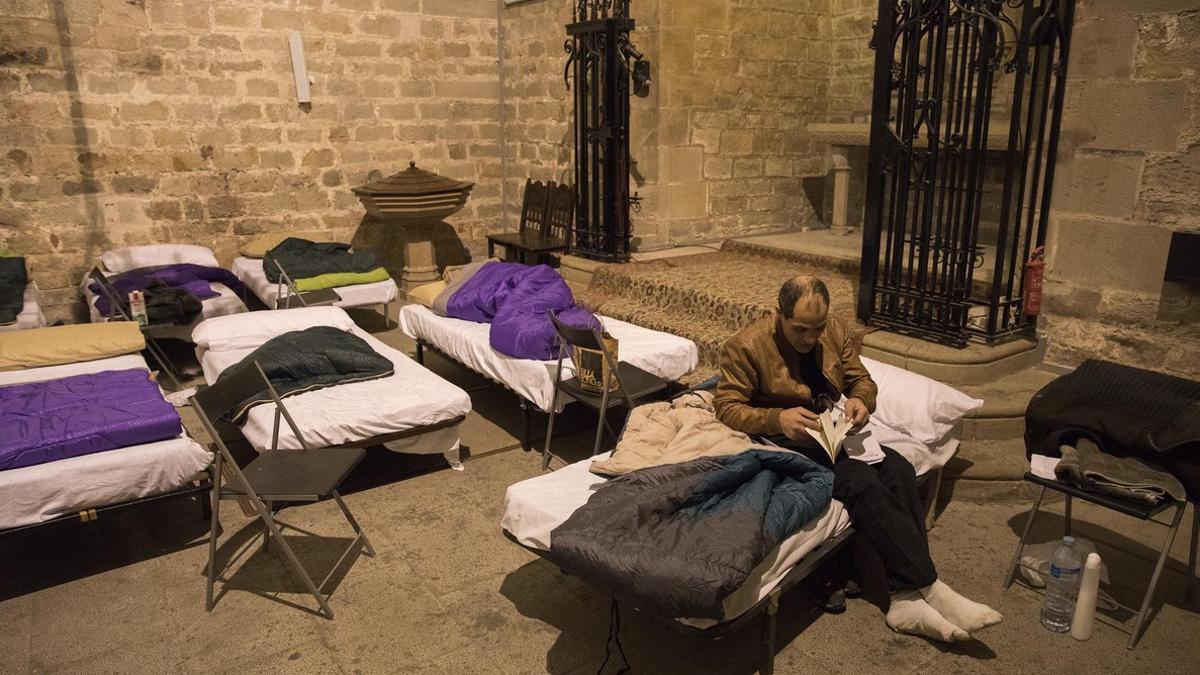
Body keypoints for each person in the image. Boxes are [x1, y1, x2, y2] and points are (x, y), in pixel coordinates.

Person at [713, 275, 1002, 642]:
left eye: (816, 329)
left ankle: (904, 596)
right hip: (782, 441)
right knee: (861, 482)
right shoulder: (747, 346)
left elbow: (861, 380)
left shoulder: (833, 331)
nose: (809, 339)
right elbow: (725, 407)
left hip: (831, 431)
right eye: (800, 330)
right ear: (778, 315)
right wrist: (776, 418)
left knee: (897, 467)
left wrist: (861, 400)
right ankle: (929, 587)